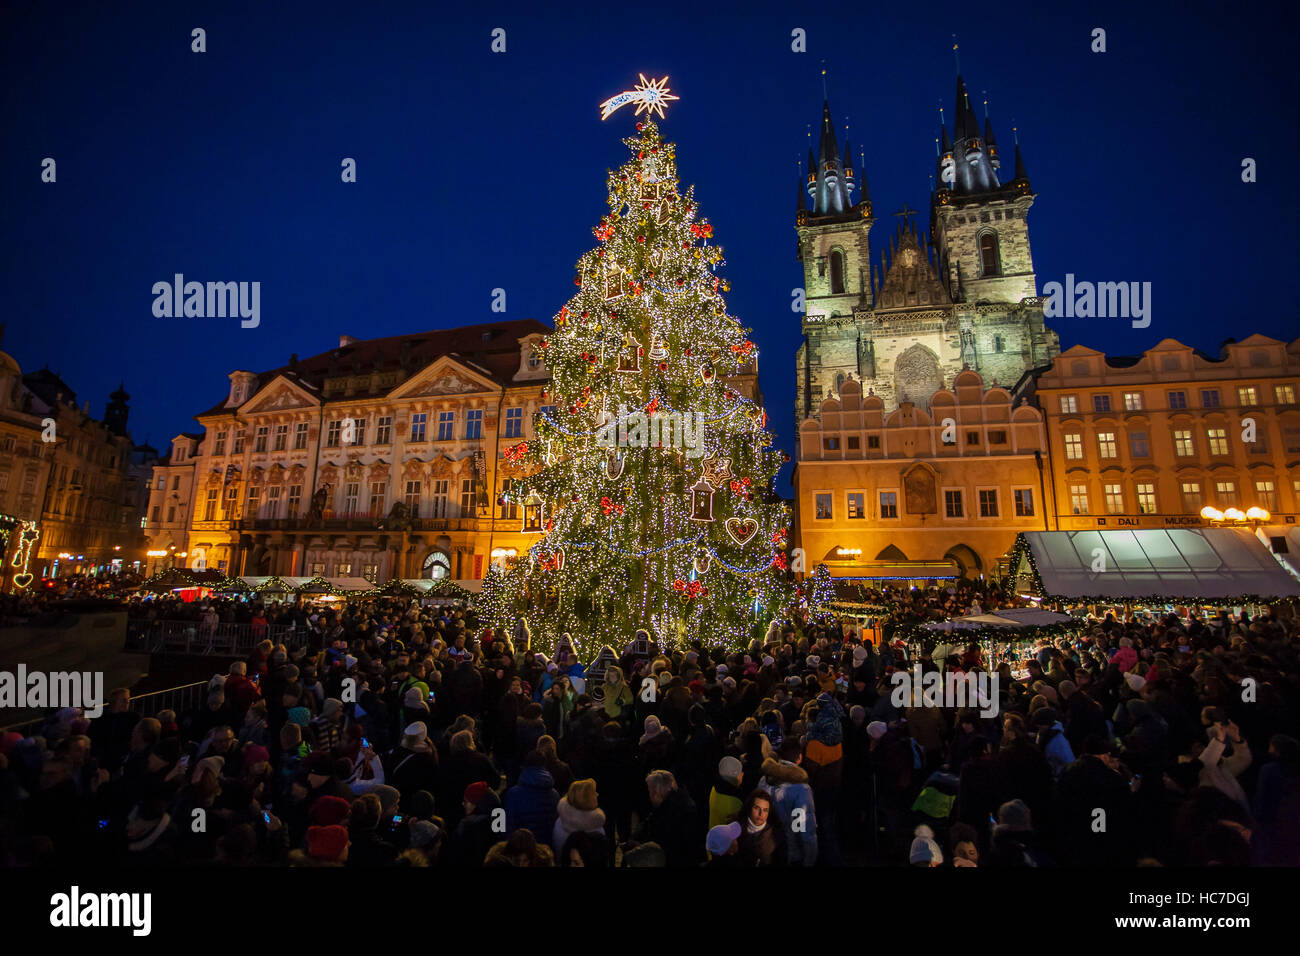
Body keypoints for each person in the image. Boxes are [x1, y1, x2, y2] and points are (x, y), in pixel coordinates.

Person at [736, 790, 785, 866]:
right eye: (756, 808)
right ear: (749, 807)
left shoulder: (777, 837)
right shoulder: (735, 829)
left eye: (765, 810)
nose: (761, 814)